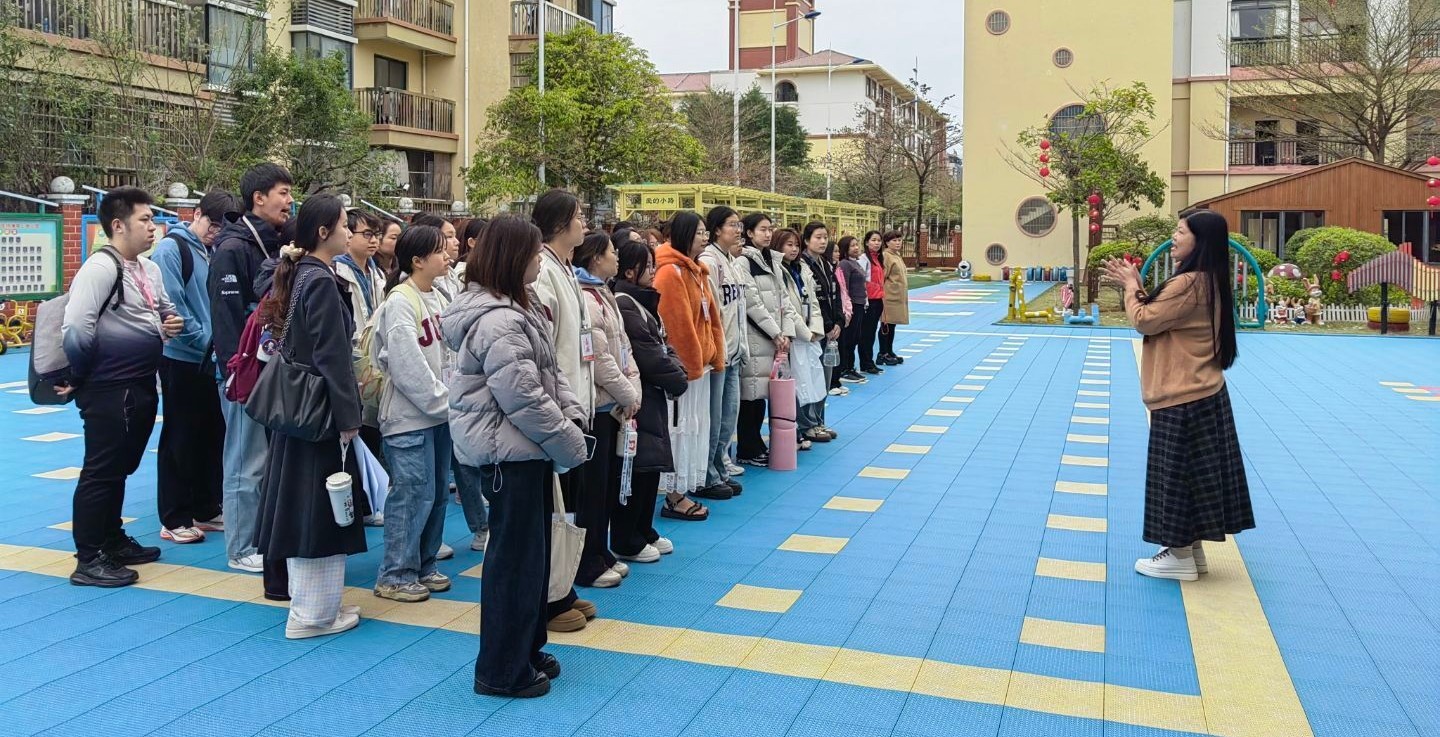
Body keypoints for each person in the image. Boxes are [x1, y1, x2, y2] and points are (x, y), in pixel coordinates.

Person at [445, 215, 590, 699]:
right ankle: (500, 669)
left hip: (525, 450)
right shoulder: (499, 319)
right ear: (512, 258)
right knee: (513, 564)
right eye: (531, 253)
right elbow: (523, 397)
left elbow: (549, 375)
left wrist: (572, 413)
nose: (538, 261)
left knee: (530, 559)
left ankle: (525, 649)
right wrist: (569, 440)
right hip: (509, 453)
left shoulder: (517, 306)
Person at [1100, 210, 1253, 582]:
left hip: (1182, 393)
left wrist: (1131, 286)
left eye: (1181, 231)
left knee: (1176, 476)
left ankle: (1179, 555)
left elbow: (1145, 320)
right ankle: (1189, 550)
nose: (1174, 236)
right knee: (1193, 475)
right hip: (1202, 391)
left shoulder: (1189, 283)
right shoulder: (1208, 280)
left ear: (1199, 241)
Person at [251, 194, 367, 639]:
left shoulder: (305, 274)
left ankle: (314, 607)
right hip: (321, 413)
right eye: (344, 225)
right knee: (320, 509)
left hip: (303, 408)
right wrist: (348, 415)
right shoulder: (320, 280)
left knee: (309, 504)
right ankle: (315, 614)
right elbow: (332, 356)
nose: (349, 233)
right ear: (323, 232)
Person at [60, 187, 181, 586]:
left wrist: (170, 324)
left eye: (153, 219)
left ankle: (111, 539)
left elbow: (163, 312)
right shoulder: (100, 268)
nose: (153, 226)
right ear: (118, 225)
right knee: (101, 469)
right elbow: (76, 328)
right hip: (108, 386)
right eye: (145, 219)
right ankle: (89, 558)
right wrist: (80, 377)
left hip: (140, 382)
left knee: (120, 467)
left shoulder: (148, 269)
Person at [210, 162, 293, 574]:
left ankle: (259, 539)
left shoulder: (274, 242)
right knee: (246, 460)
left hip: (269, 369)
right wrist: (236, 373)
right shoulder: (232, 248)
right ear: (258, 198)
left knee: (263, 460)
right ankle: (241, 548)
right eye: (283, 192)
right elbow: (225, 319)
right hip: (243, 373)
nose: (290, 201)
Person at [371, 225, 456, 603]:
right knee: (410, 496)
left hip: (438, 415)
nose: (447, 255)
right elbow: (407, 366)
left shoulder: (439, 295)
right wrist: (445, 402)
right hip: (409, 418)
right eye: (438, 250)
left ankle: (423, 564)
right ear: (417, 261)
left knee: (435, 495)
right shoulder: (400, 301)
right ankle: (395, 574)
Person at [151, 189, 236, 545]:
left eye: (222, 228)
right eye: (212, 224)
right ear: (197, 214)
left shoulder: (213, 251)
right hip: (182, 359)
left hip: (211, 360)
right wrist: (209, 344)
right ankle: (174, 516)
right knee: (181, 437)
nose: (215, 232)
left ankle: (205, 507)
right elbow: (174, 309)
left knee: (211, 434)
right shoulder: (172, 250)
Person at [530, 189, 596, 632]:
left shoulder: (566, 268)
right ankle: (550, 597)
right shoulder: (543, 272)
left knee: (567, 505)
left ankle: (562, 587)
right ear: (558, 224)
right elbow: (545, 351)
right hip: (556, 408)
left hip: (575, 401)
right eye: (578, 216)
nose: (585, 223)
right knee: (555, 509)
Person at [611, 241, 704, 540]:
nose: (653, 271)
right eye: (648, 266)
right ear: (629, 270)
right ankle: (629, 537)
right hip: (639, 395)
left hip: (652, 393)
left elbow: (664, 345)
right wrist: (677, 378)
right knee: (639, 467)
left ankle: (643, 530)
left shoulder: (643, 302)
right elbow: (650, 354)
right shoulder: (625, 303)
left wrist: (677, 370)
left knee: (651, 464)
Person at [573, 234, 642, 580]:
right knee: (592, 489)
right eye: (612, 252)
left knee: (606, 486)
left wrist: (632, 390)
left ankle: (601, 550)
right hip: (599, 406)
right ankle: (587, 559)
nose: (617, 257)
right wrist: (628, 394)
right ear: (596, 258)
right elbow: (600, 359)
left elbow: (623, 348)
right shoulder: (587, 299)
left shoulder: (603, 293)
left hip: (614, 402)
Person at [653, 211, 726, 498]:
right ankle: (674, 494)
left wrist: (716, 355)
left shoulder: (697, 270)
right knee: (680, 429)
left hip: (701, 366)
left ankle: (687, 486)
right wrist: (692, 366)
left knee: (696, 428)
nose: (704, 237)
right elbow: (677, 326)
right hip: (685, 371)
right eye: (699, 232)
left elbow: (712, 319)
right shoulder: (670, 272)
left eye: (705, 232)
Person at [696, 206, 746, 500]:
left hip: (734, 351)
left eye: (739, 225)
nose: (737, 231)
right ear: (716, 230)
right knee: (714, 419)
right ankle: (708, 475)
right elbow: (712, 314)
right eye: (732, 225)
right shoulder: (709, 261)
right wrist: (718, 350)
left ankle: (719, 468)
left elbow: (738, 309)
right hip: (719, 353)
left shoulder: (732, 261)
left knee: (729, 416)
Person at [735, 213, 790, 466]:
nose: (768, 234)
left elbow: (784, 300)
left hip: (772, 338)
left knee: (762, 395)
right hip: (756, 338)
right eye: (762, 230)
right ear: (749, 233)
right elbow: (752, 304)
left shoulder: (771, 260)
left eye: (770, 229)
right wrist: (776, 333)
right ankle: (748, 448)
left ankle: (756, 444)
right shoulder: (744, 262)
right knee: (751, 397)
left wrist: (786, 332)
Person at [336, 208, 388, 466]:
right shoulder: (338, 271)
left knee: (373, 428)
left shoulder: (376, 272)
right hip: (351, 353)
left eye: (377, 234)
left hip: (373, 355)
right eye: (367, 234)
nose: (374, 240)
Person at [779, 229, 825, 450]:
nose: (794, 249)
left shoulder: (802, 269)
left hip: (809, 334)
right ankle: (800, 427)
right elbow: (787, 307)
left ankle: (810, 423)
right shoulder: (778, 270)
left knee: (811, 380)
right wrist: (806, 332)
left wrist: (815, 329)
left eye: (796, 245)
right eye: (789, 244)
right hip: (794, 336)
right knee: (797, 385)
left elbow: (813, 301)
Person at [800, 222, 841, 437]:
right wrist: (825, 326)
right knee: (811, 379)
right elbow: (813, 302)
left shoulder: (825, 264)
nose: (823, 241)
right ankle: (808, 424)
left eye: (825, 237)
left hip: (830, 330)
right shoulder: (802, 265)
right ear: (807, 240)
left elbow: (835, 295)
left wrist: (838, 322)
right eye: (818, 237)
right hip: (815, 331)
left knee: (824, 379)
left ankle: (819, 421)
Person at [834, 235, 867, 396]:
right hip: (852, 305)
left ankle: (850, 367)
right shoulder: (845, 264)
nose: (856, 248)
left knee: (856, 337)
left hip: (860, 304)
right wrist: (848, 307)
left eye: (857, 244)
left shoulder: (855, 262)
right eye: (852, 245)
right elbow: (844, 287)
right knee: (849, 338)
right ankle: (845, 368)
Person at [878, 231, 910, 366]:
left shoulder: (896, 255)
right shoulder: (886, 256)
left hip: (897, 297)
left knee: (892, 325)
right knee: (886, 325)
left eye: (899, 240)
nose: (898, 243)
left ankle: (889, 351)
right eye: (894, 240)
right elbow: (882, 277)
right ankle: (882, 353)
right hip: (889, 297)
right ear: (887, 243)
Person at [859, 231, 887, 369]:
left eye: (879, 240)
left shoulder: (878, 259)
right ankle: (866, 363)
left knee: (871, 333)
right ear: (866, 242)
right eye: (873, 240)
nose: (877, 243)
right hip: (868, 301)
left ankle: (869, 361)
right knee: (866, 334)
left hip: (878, 300)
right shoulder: (864, 258)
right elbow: (862, 280)